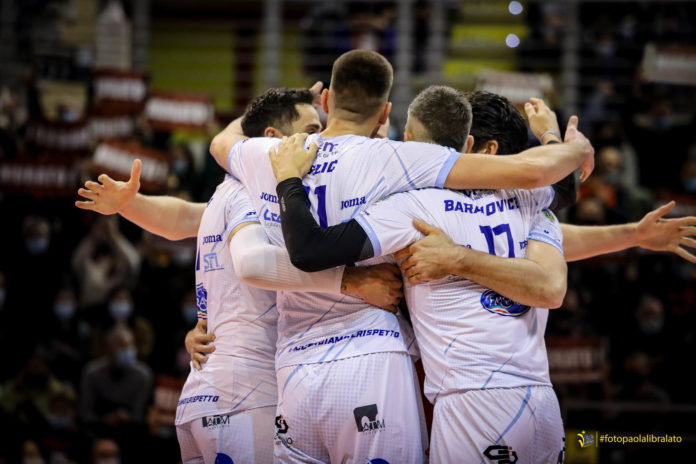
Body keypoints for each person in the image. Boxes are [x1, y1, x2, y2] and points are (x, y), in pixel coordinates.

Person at [269, 86, 696, 462]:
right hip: (540, 403)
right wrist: (630, 231)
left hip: (473, 402)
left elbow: (311, 249)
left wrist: (288, 179)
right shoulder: (531, 202)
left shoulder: (412, 205)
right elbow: (563, 205)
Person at [208, 49, 592, 463]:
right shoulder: (404, 164)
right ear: (385, 112)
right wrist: (566, 144)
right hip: (382, 356)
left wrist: (287, 170)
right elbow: (540, 177)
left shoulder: (268, 153)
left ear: (326, 101)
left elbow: (220, 144)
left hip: (296, 364)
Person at [76, 86, 402, 464]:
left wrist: (129, 204)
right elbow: (252, 262)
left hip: (206, 392)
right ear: (271, 139)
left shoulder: (229, 192)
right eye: (312, 131)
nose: (321, 142)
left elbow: (180, 219)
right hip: (246, 396)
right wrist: (353, 282)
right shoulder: (256, 191)